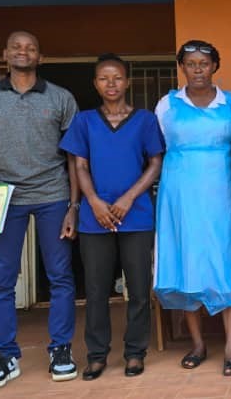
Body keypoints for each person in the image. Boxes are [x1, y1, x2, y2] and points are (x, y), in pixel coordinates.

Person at [0, 31, 80, 390]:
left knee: (60, 276)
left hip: (53, 193)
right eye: (17, 47)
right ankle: (5, 355)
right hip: (2, 194)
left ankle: (61, 349)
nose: (23, 52)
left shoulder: (60, 97)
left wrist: (74, 206)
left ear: (40, 57)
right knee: (1, 279)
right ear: (5, 54)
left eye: (30, 48)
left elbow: (75, 157)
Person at [58, 54, 164, 380]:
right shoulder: (84, 121)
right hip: (95, 219)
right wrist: (93, 203)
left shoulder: (145, 120)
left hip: (137, 215)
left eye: (117, 78)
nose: (111, 84)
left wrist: (128, 199)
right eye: (104, 79)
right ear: (95, 84)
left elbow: (155, 164)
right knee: (96, 290)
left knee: (138, 287)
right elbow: (79, 166)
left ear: (128, 82)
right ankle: (97, 354)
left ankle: (134, 352)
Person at [154, 40, 231, 377]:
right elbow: (160, 148)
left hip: (224, 192)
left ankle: (230, 347)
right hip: (181, 193)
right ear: (182, 67)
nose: (198, 70)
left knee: (228, 260)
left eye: (204, 63)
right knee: (189, 262)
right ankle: (197, 344)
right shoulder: (167, 105)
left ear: (215, 67)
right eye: (191, 63)